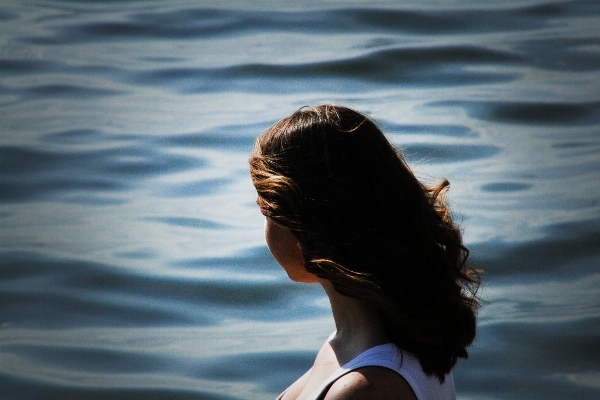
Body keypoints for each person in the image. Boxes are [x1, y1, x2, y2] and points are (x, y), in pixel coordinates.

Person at [249, 104, 481, 400]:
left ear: (304, 225)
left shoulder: (365, 388)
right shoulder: (365, 341)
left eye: (266, 212)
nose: (265, 230)